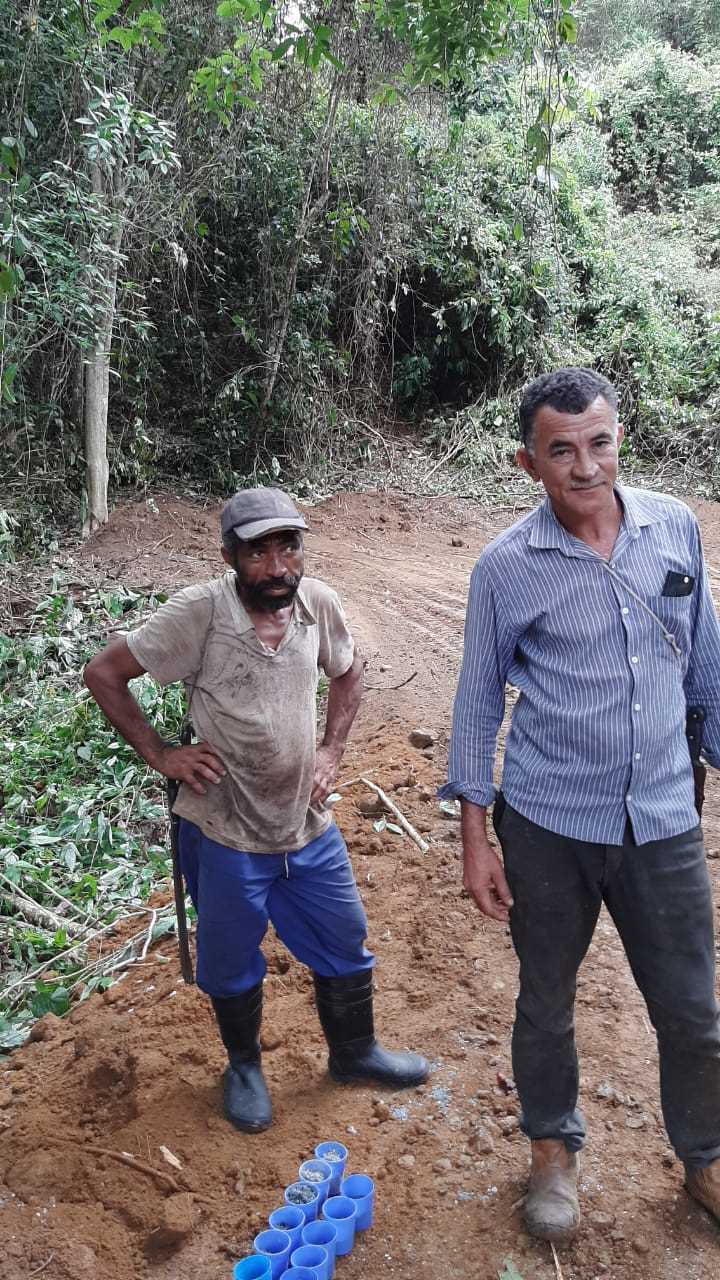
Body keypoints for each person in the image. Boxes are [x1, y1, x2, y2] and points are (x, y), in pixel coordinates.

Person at [441, 367, 720, 1240]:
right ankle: (552, 1154)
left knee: (692, 1008)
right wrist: (475, 837)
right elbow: (478, 701)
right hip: (548, 823)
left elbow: (705, 663)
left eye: (598, 443)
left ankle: (706, 1160)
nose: (584, 466)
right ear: (530, 463)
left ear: (618, 440)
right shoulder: (506, 566)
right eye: (561, 451)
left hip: (664, 821)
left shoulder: (675, 527)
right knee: (545, 998)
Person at [84, 487, 428, 1134]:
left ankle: (354, 1053)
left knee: (344, 936)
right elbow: (104, 673)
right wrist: (161, 754)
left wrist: (331, 750)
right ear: (229, 556)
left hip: (305, 823)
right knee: (230, 955)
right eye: (258, 552)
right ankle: (243, 1066)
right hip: (226, 828)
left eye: (288, 547)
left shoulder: (317, 603)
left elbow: (349, 673)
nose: (277, 568)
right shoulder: (199, 614)